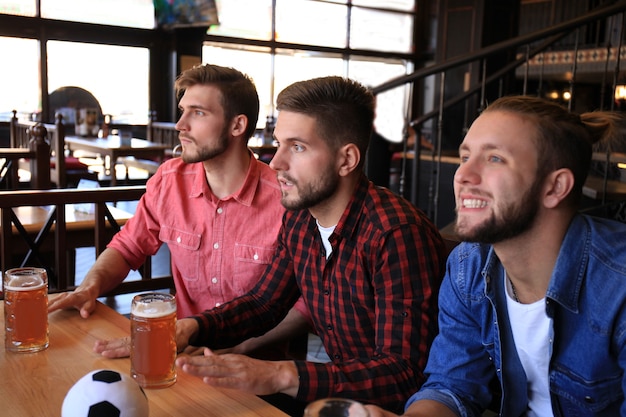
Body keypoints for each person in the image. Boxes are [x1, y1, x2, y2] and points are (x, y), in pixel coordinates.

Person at [168, 76, 447, 414]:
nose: (276, 163)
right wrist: (194, 327)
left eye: (297, 147)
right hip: (340, 403)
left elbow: (403, 374)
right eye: (278, 143)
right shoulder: (301, 219)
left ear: (346, 160)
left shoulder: (396, 235)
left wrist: (280, 374)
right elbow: (263, 304)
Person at [366, 95, 626, 417]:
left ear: (555, 187)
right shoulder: (468, 266)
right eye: (464, 157)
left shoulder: (618, 286)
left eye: (495, 159)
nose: (463, 176)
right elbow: (452, 386)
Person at [48, 63, 310, 360]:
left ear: (237, 126)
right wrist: (89, 286)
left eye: (197, 113)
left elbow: (306, 303)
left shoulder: (286, 198)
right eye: (183, 110)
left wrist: (239, 347)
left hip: (256, 366)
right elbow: (128, 247)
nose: (180, 125)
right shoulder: (169, 180)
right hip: (179, 352)